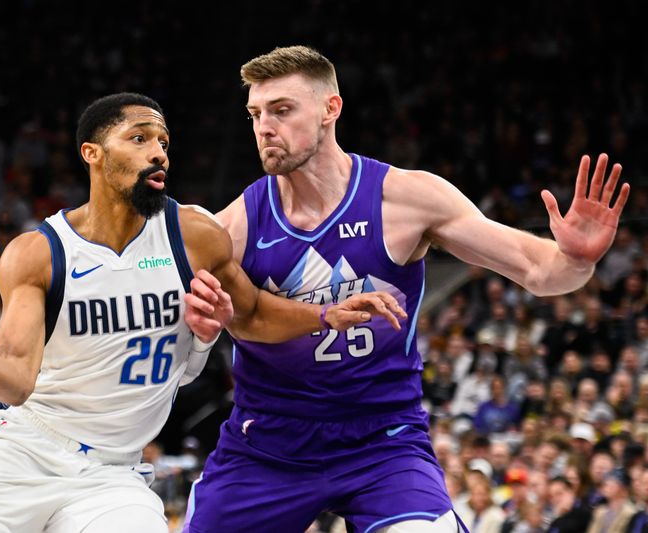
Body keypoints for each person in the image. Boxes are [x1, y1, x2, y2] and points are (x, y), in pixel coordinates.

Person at [0, 92, 400, 533]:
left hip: (112, 473)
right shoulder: (39, 253)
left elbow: (254, 314)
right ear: (92, 153)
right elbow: (16, 382)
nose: (158, 154)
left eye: (164, 143)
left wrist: (326, 315)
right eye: (139, 139)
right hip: (23, 454)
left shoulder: (193, 235)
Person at [183, 45, 630, 532]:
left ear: (331, 109)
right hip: (269, 443)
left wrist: (578, 259)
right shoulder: (235, 226)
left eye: (282, 110)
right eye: (255, 113)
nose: (264, 127)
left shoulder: (407, 199)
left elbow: (541, 272)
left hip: (382, 439)